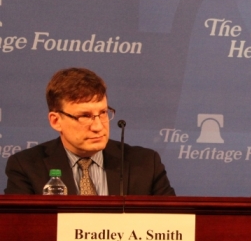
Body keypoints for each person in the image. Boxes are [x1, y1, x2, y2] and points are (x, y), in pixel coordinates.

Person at [5, 68, 175, 196]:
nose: (98, 126)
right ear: (56, 121)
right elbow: (20, 231)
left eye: (102, 113)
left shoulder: (145, 164)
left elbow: (174, 227)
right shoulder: (27, 166)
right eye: (84, 116)